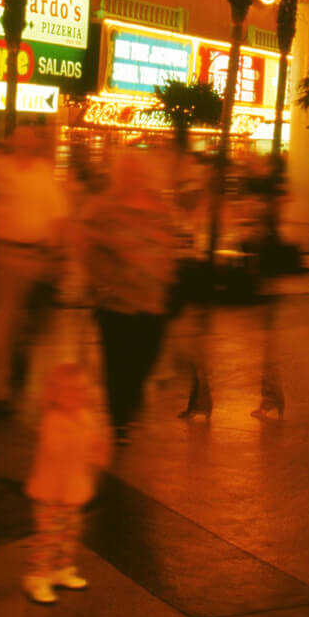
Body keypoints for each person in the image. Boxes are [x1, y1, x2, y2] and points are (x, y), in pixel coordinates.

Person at [80, 151, 177, 441]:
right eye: (128, 171)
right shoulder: (104, 208)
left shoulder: (160, 207)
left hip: (152, 298)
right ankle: (119, 417)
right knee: (116, 359)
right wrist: (102, 277)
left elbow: (169, 245)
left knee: (147, 356)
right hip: (116, 300)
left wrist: (166, 273)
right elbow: (87, 244)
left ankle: (131, 400)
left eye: (139, 171)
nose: (134, 177)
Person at [0, 120, 71, 415]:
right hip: (4, 254)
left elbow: (58, 216)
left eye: (27, 140)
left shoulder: (43, 175)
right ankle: (0, 391)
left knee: (24, 328)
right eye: (19, 139)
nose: (23, 145)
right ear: (12, 142)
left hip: (35, 255)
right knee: (1, 325)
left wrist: (56, 254)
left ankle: (13, 370)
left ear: (33, 145)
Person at [21, 361, 109, 605]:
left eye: (81, 390)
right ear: (53, 394)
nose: (75, 396)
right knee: (48, 536)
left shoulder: (86, 417)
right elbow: (57, 451)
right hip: (50, 494)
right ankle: (38, 576)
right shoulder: (53, 421)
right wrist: (86, 440)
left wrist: (98, 451)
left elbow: (90, 452)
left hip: (73, 492)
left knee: (70, 534)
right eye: (68, 391)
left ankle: (61, 569)